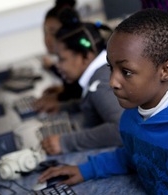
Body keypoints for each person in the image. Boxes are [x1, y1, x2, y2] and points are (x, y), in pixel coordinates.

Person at [38, 8, 168, 194]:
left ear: (166, 70)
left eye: (126, 72)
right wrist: (87, 169)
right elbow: (135, 154)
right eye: (110, 67)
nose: (113, 82)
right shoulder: (132, 114)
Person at [37, 8, 124, 155]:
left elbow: (121, 129)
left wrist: (66, 142)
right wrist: (66, 107)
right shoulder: (102, 72)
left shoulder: (100, 83)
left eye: (62, 59)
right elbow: (95, 103)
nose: (57, 65)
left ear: (85, 57)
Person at [38, 0, 82, 109]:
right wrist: (62, 92)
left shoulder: (81, 61)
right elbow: (77, 91)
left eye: (52, 33)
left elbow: (90, 100)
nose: (46, 39)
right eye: (45, 33)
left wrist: (61, 104)